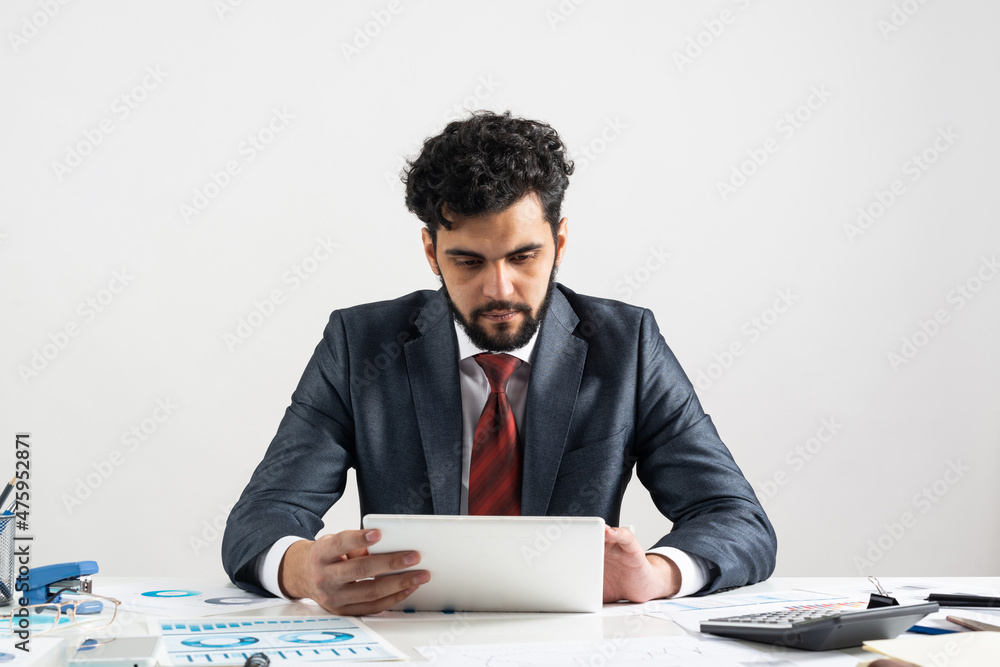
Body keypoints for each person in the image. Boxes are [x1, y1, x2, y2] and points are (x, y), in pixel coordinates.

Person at [222, 111, 777, 615]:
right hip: (408, 643)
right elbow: (262, 516)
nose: (499, 288)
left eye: (524, 256)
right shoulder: (360, 344)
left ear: (559, 240)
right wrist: (303, 570)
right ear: (429, 251)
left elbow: (736, 517)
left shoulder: (626, 345)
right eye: (467, 260)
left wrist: (656, 575)